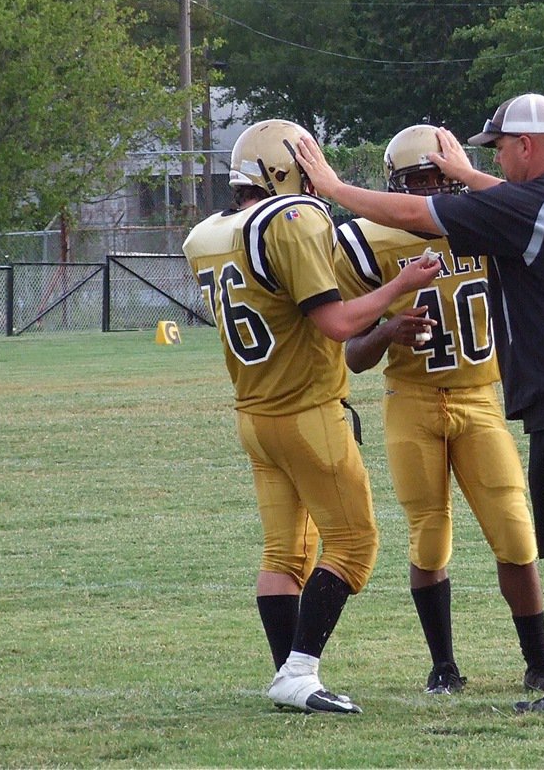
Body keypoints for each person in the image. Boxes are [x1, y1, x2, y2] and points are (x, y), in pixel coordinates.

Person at [295, 94, 544, 714]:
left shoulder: (529, 204)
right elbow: (522, 202)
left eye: (502, 147)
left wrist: (330, 185)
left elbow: (413, 210)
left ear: (528, 146)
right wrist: (466, 174)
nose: (498, 159)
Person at [183, 119, 440, 714]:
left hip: (255, 414)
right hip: (307, 412)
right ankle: (300, 671)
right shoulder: (292, 218)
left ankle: (287, 677)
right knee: (354, 545)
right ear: (286, 169)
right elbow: (336, 324)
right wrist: (401, 283)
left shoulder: (209, 233)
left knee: (283, 554)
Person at [331, 124, 544, 697]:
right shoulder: (367, 241)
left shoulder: (486, 226)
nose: (429, 193)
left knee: (515, 534)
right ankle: (443, 666)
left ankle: (538, 660)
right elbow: (353, 355)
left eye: (439, 179)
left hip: (479, 396)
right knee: (428, 538)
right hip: (410, 401)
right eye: (417, 182)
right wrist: (388, 331)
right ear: (395, 185)